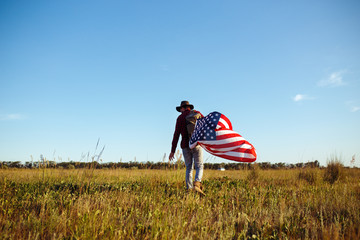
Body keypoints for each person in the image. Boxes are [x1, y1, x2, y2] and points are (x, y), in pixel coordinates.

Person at [169, 100, 205, 195]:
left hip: (185, 145)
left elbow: (176, 135)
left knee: (189, 167)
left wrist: (172, 151)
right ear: (189, 107)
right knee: (199, 166)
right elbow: (206, 124)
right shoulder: (197, 114)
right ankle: (197, 184)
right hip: (196, 143)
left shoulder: (180, 118)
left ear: (182, 108)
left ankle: (189, 189)